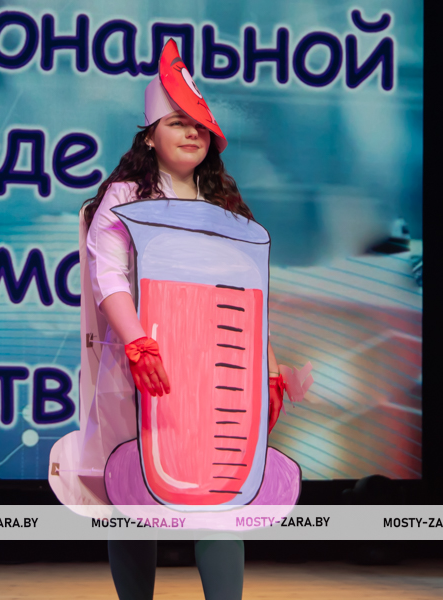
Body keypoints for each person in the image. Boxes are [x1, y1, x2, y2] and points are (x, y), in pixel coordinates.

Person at [77, 40, 296, 600]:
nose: (192, 133)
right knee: (133, 500)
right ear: (150, 136)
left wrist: (268, 369)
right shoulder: (125, 195)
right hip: (144, 373)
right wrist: (138, 345)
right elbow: (108, 275)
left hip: (215, 376)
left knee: (221, 499)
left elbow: (249, 297)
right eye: (178, 123)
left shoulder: (223, 207)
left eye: (200, 126)